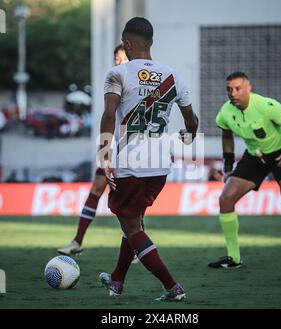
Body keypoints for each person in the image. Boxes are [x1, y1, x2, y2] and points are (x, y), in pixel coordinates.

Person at [98, 17, 198, 301]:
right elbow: (191, 120)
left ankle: (172, 287)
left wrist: (105, 155)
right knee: (134, 222)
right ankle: (117, 280)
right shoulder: (173, 75)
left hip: (131, 163)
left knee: (131, 227)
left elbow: (108, 115)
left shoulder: (118, 73)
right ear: (150, 42)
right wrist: (189, 134)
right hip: (160, 166)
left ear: (127, 44)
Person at [208, 72, 281, 269]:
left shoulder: (266, 106)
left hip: (280, 154)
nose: (233, 93)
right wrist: (227, 167)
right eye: (229, 89)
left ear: (248, 88)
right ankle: (234, 259)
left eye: (237, 88)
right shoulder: (225, 112)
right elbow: (227, 137)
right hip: (255, 157)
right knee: (225, 199)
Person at [57, 45, 128, 256]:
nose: (117, 61)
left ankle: (134, 246)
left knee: (127, 201)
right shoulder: (115, 78)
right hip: (113, 146)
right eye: (116, 57)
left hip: (130, 149)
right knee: (97, 189)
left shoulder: (132, 81)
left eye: (121, 58)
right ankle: (77, 241)